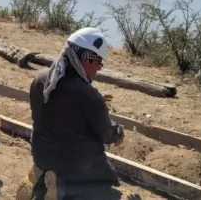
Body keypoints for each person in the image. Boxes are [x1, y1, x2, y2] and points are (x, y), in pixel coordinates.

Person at [16, 27, 125, 200]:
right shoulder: (88, 94)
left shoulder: (40, 80)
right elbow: (105, 134)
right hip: (73, 165)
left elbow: (55, 111)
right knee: (108, 180)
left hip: (41, 155)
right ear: (87, 60)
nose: (98, 70)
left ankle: (42, 179)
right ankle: (61, 189)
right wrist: (118, 132)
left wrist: (95, 103)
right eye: (98, 64)